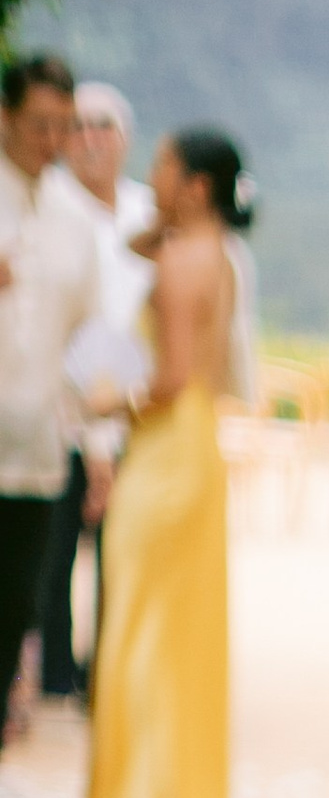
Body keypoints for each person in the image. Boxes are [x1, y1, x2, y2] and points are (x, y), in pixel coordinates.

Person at [82, 128, 250, 798]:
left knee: (143, 620)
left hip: (166, 444)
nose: (150, 177)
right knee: (178, 623)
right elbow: (134, 249)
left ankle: (148, 795)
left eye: (162, 167)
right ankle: (168, 791)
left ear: (197, 185)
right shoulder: (223, 257)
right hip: (197, 444)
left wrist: (110, 403)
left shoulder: (182, 262)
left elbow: (171, 376)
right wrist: (160, 226)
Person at [0, 54, 99, 798]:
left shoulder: (75, 222)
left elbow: (88, 346)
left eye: (64, 126)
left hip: (37, 454)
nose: (54, 140)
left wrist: (98, 444)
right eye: (40, 124)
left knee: (16, 608)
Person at [40, 82, 153, 701]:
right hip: (64, 410)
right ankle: (51, 671)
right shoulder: (51, 210)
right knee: (53, 557)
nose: (90, 138)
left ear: (125, 138)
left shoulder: (150, 214)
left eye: (103, 125)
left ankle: (109, 669)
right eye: (77, 126)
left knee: (124, 552)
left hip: (139, 410)